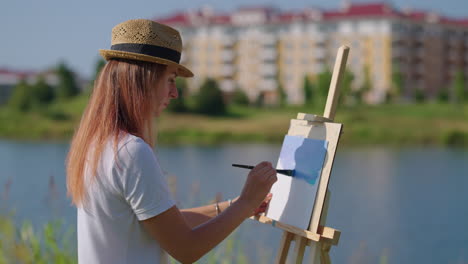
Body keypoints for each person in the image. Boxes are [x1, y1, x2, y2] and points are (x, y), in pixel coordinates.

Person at [66, 19, 277, 264]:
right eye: (170, 79)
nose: (175, 93)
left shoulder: (98, 144)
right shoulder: (130, 151)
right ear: (142, 79)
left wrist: (235, 206)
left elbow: (162, 223)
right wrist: (246, 202)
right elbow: (186, 249)